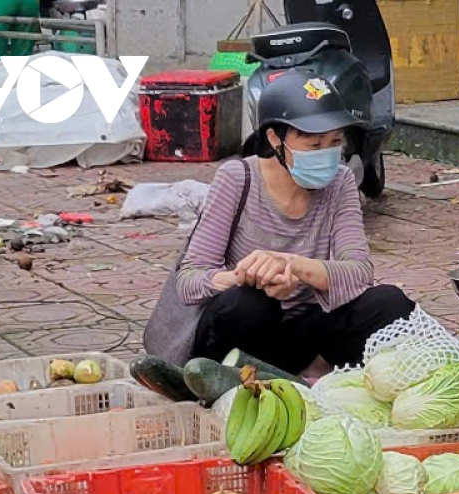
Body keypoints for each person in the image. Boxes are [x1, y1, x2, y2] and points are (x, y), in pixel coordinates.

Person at [143, 66, 413, 375]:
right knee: (249, 304)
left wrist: (291, 265)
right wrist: (247, 276)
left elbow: (359, 273)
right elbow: (190, 281)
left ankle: (311, 371)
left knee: (389, 303)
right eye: (314, 144)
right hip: (240, 339)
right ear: (275, 139)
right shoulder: (237, 178)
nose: (326, 153)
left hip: (302, 338)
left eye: (335, 141)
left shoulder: (340, 182)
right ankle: (224, 382)